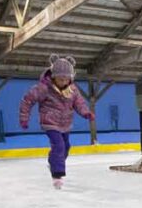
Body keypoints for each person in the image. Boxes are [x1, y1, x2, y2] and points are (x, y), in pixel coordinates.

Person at [19, 55, 94, 189]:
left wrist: (86, 113)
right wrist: (24, 119)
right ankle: (57, 175)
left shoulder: (72, 89)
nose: (63, 82)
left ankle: (53, 162)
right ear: (54, 76)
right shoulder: (43, 88)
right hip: (50, 122)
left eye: (66, 79)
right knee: (59, 145)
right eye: (60, 79)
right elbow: (27, 101)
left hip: (65, 123)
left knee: (66, 146)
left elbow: (79, 103)